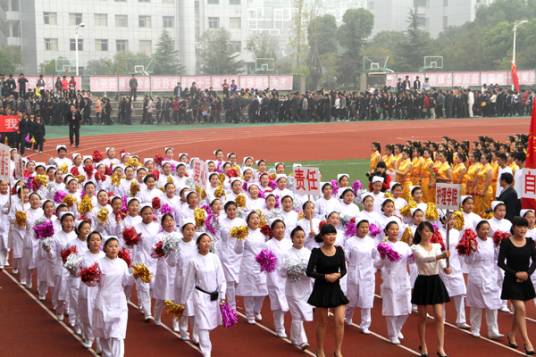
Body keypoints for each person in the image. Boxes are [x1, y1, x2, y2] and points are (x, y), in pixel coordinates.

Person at [180, 233, 226, 357]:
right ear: (198, 244)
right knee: (203, 324)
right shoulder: (193, 260)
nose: (207, 244)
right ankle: (206, 351)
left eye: (208, 241)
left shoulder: (215, 258)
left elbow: (221, 278)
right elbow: (189, 281)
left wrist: (222, 295)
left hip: (214, 296)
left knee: (209, 323)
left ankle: (198, 336)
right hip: (200, 296)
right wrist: (183, 300)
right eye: (204, 241)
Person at [306, 223, 348, 357]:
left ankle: (338, 350)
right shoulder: (316, 252)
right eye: (328, 234)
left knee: (340, 320)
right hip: (321, 289)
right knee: (322, 322)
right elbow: (309, 271)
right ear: (323, 236)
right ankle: (320, 349)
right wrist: (325, 276)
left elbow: (344, 269)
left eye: (333, 234)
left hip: (335, 288)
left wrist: (338, 275)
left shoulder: (340, 250)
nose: (332, 236)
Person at [411, 221, 451, 357]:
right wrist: (441, 256)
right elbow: (424, 260)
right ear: (420, 232)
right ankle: (423, 344)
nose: (428, 234)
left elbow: (441, 262)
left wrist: (446, 267)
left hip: (435, 281)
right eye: (425, 231)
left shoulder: (436, 246)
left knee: (439, 316)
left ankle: (440, 347)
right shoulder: (415, 248)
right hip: (423, 282)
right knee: (422, 316)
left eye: (430, 231)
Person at [497, 217, 536, 354]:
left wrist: (527, 274)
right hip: (511, 280)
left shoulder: (530, 242)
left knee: (519, 311)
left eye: (525, 227)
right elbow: (501, 263)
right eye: (520, 226)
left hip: (525, 280)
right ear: (513, 227)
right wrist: (516, 274)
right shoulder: (506, 242)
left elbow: (535, 261)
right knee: (521, 308)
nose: (522, 229)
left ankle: (512, 335)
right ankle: (527, 341)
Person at [92, 236, 135, 357]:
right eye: (110, 246)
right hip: (103, 300)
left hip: (119, 302)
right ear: (105, 248)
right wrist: (88, 278)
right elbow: (93, 282)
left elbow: (127, 281)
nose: (113, 249)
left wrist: (136, 276)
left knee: (117, 334)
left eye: (116, 246)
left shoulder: (122, 263)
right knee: (104, 333)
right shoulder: (99, 263)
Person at [464, 220, 503, 339]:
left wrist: (499, 246)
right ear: (477, 230)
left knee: (493, 304)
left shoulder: (491, 242)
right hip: (477, 275)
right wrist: (473, 250)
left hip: (491, 276)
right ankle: (475, 328)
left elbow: (496, 257)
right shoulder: (472, 242)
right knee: (477, 304)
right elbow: (468, 261)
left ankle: (493, 330)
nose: (486, 231)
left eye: (487, 229)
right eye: (483, 229)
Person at [376, 221, 412, 345]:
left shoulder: (404, 245)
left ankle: (398, 328)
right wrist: (382, 256)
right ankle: (392, 334)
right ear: (386, 231)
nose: (395, 231)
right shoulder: (383, 245)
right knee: (392, 308)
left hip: (404, 278)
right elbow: (377, 265)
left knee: (407, 307)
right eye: (392, 229)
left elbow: (411, 261)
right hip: (390, 278)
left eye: (397, 229)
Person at [344, 219, 377, 334]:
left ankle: (365, 324)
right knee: (351, 298)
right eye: (362, 227)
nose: (364, 229)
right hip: (354, 271)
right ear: (357, 228)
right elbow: (346, 256)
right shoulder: (350, 241)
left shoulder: (371, 241)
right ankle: (347, 317)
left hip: (368, 273)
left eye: (366, 227)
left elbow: (375, 255)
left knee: (367, 299)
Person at [283, 226, 312, 350]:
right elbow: (285, 269)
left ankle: (294, 338)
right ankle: (302, 341)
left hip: (306, 289)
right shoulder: (287, 253)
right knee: (298, 315)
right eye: (297, 237)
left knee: (300, 315)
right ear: (292, 238)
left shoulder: (309, 252)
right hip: (293, 289)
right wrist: (298, 269)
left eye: (302, 237)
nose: (300, 239)